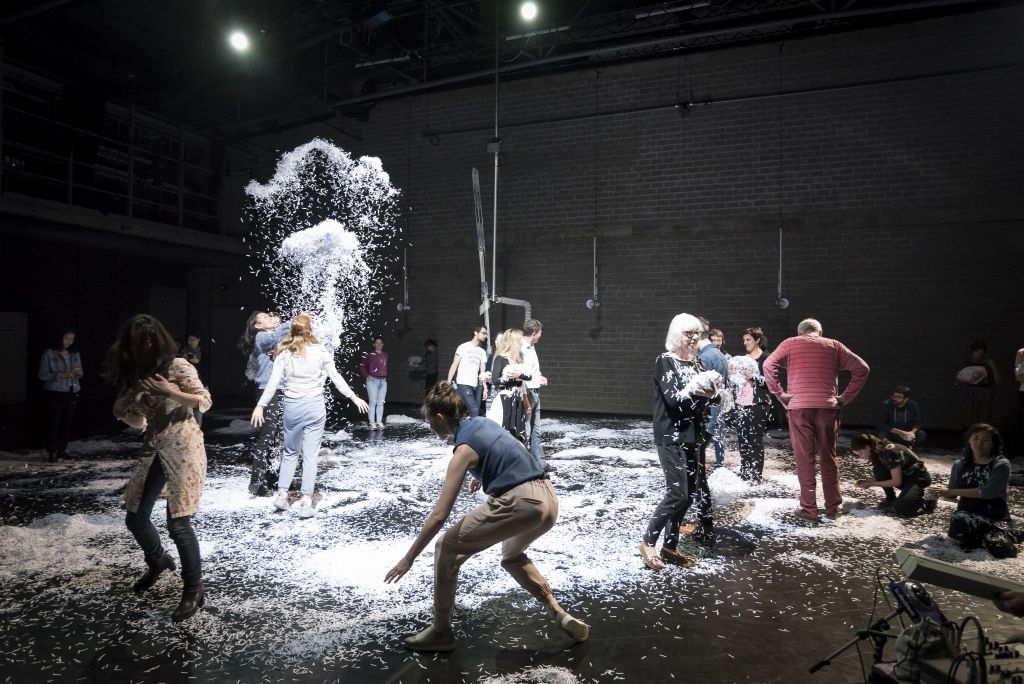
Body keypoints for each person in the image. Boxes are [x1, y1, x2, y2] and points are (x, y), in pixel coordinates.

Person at [383, 382, 589, 652]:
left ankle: (441, 632)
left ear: (440, 418)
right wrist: (486, 473)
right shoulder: (482, 423)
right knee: (511, 557)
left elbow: (439, 515)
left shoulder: (463, 451)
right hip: (548, 499)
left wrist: (408, 558)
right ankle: (559, 613)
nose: (431, 428)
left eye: (430, 422)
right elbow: (513, 445)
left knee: (445, 546)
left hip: (521, 502)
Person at [104, 314, 211, 622]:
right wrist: (122, 411)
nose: (143, 347)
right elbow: (139, 422)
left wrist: (171, 392)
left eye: (148, 341)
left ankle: (194, 588)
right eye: (137, 343)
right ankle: (158, 560)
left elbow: (204, 401)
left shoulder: (178, 366)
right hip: (154, 445)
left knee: (178, 522)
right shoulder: (138, 376)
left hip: (183, 445)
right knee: (135, 517)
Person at [252, 314, 368, 518]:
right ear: (310, 330)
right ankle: (306, 501)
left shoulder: (283, 352)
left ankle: (282, 495)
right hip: (314, 406)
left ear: (292, 330)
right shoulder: (320, 350)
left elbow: (272, 384)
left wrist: (260, 405)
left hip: (292, 407)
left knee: (289, 452)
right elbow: (336, 377)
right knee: (310, 455)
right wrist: (354, 397)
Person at [763, 318, 870, 522]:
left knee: (805, 459)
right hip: (827, 408)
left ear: (800, 332)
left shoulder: (790, 344)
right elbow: (862, 368)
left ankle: (809, 510)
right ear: (819, 332)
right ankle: (833, 508)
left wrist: (779, 393)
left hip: (799, 408)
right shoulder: (834, 345)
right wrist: (845, 397)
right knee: (828, 457)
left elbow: (768, 365)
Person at [640, 313, 721, 571]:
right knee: (677, 493)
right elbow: (675, 401)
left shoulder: (696, 363)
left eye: (697, 333)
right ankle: (647, 542)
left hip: (693, 435)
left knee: (688, 496)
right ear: (677, 335)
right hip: (671, 435)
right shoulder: (665, 361)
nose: (694, 337)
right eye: (688, 333)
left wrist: (714, 393)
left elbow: (709, 400)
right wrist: (700, 393)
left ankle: (670, 546)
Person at [927, 424, 1017, 559]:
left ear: (993, 443)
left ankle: (1010, 535)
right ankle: (979, 539)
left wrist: (949, 491)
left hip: (995, 519)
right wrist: (938, 493)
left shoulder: (1001, 464)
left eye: (985, 440)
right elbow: (952, 494)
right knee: (960, 540)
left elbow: (987, 492)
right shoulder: (960, 465)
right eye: (976, 438)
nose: (979, 444)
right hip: (966, 517)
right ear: (969, 440)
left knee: (999, 547)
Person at [239, 311, 289, 495]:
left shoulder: (273, 337)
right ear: (258, 325)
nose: (270, 318)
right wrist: (295, 321)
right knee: (266, 436)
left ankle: (273, 477)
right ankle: (256, 483)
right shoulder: (261, 336)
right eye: (266, 318)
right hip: (268, 391)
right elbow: (276, 336)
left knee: (277, 437)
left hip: (279, 390)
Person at [850, 433, 935, 517]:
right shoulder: (878, 452)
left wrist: (870, 484)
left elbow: (896, 481)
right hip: (905, 477)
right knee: (878, 470)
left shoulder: (889, 452)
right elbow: (884, 476)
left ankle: (928, 498)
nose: (861, 457)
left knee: (902, 510)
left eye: (861, 453)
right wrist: (866, 481)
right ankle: (891, 498)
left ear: (867, 447)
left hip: (918, 478)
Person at [38, 330, 83, 462]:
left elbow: (80, 372)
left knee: (66, 423)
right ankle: (52, 451)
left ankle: (61, 450)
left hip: (72, 390)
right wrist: (61, 375)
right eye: (66, 338)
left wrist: (78, 373)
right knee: (54, 422)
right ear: (60, 338)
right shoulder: (49, 353)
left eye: (71, 339)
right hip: (55, 391)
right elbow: (42, 374)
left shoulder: (75, 353)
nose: (69, 342)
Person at [728, 355, 768, 482]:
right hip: (741, 405)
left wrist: (752, 377)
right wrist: (731, 375)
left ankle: (756, 474)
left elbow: (770, 382)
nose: (745, 344)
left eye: (748, 342)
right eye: (744, 342)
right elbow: (733, 382)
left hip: (756, 406)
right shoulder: (742, 360)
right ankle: (745, 471)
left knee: (755, 440)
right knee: (742, 439)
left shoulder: (764, 360)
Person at [487, 329, 530, 444]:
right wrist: (511, 378)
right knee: (505, 426)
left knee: (518, 428)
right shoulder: (501, 358)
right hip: (505, 398)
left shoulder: (519, 358)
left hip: (518, 398)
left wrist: (520, 375)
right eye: (519, 341)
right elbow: (495, 380)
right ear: (513, 342)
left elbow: (529, 376)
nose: (521, 343)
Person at [520, 319, 552, 471]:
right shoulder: (521, 347)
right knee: (526, 430)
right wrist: (525, 397)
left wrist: (539, 377)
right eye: (539, 333)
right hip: (527, 392)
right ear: (533, 333)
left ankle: (540, 463)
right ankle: (524, 465)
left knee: (536, 430)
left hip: (535, 390)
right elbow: (521, 374)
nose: (540, 335)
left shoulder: (531, 346)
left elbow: (532, 369)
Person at [697, 317, 729, 468]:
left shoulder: (704, 357)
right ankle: (719, 466)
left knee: (703, 440)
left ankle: (701, 470)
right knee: (718, 435)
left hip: (709, 405)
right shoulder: (719, 354)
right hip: (718, 402)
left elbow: (701, 387)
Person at [446, 326, 489, 417]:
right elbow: (454, 365)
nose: (485, 336)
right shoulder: (463, 347)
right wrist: (448, 382)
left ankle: (465, 425)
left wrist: (485, 387)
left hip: (476, 385)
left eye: (486, 334)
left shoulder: (482, 351)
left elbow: (483, 372)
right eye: (483, 333)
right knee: (474, 410)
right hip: (463, 383)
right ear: (476, 333)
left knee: (473, 412)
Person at [956, 340, 999, 427]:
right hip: (969, 392)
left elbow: (996, 380)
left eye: (981, 353)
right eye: (976, 352)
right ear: (972, 352)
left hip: (985, 392)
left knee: (983, 417)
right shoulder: (966, 362)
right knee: (969, 417)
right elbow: (958, 378)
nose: (978, 355)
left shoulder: (988, 363)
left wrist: (992, 367)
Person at [361, 336, 388, 429]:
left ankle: (379, 421)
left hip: (383, 381)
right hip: (373, 381)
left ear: (383, 344)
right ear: (374, 344)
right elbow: (362, 365)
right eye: (377, 343)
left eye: (380, 343)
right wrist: (367, 376)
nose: (379, 344)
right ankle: (372, 422)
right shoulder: (370, 355)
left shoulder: (385, 355)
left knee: (380, 402)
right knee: (373, 402)